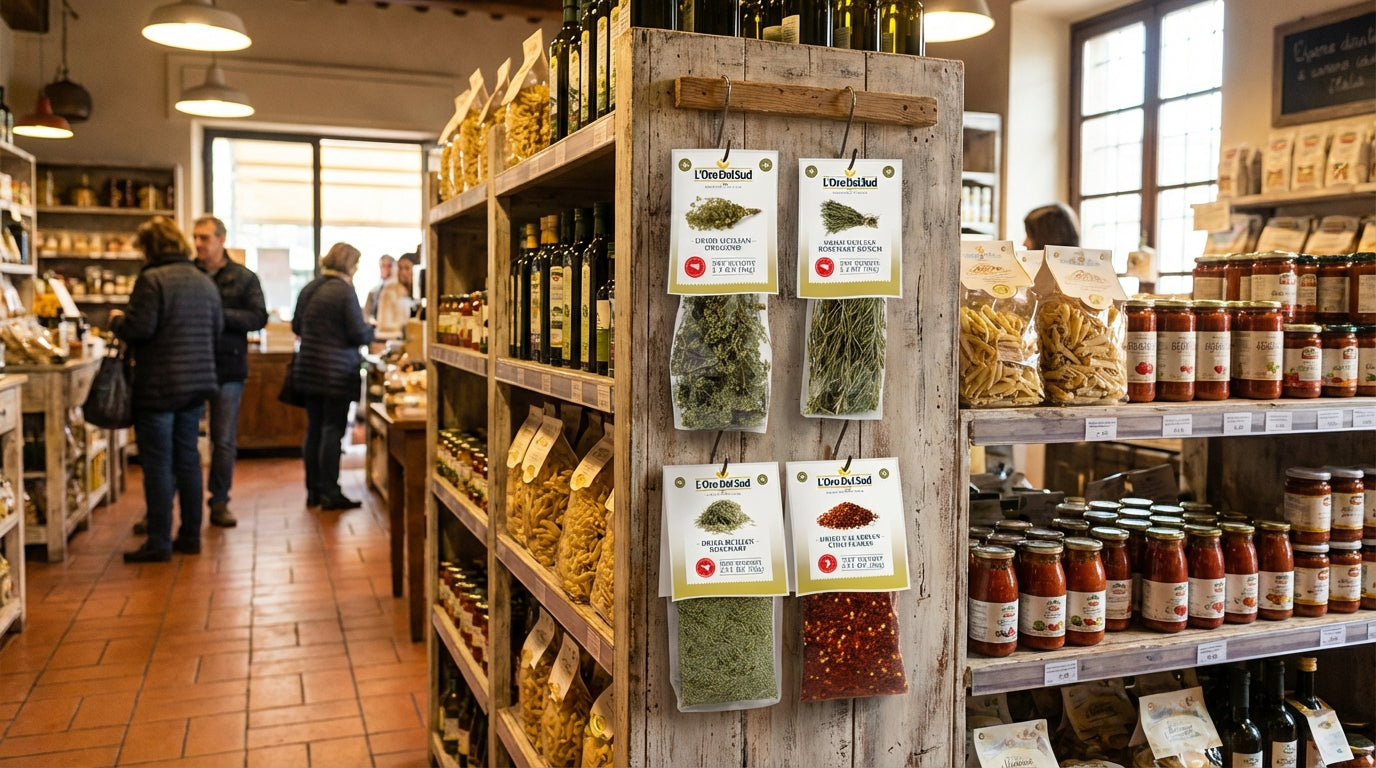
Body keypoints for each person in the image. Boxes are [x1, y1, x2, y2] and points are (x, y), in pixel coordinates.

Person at [111, 217, 223, 563]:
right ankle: (190, 535)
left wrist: (116, 320)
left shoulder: (152, 280)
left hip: (159, 386)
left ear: (151, 248)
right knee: (188, 459)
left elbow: (140, 329)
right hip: (196, 384)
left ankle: (159, 541)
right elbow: (217, 328)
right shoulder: (204, 281)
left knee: (158, 464)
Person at [193, 214, 268, 528]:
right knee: (181, 438)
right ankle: (172, 505)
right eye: (195, 238)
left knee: (222, 440)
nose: (198, 244)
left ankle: (219, 502)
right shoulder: (187, 274)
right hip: (191, 366)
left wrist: (219, 316)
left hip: (229, 367)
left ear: (221, 240)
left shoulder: (244, 277)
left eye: (205, 238)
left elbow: (258, 317)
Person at [291, 242, 374, 510]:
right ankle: (330, 492)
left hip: (308, 368)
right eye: (356, 264)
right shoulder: (344, 291)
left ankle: (313, 491)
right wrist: (371, 328)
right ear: (349, 263)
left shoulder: (310, 287)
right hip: (336, 371)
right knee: (332, 430)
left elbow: (296, 326)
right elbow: (358, 333)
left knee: (314, 429)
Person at [374, 252, 418, 341]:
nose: (403, 272)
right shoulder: (389, 292)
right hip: (395, 342)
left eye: (407, 268)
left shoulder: (418, 294)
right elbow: (384, 325)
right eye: (400, 268)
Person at [364, 254, 395, 325]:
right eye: (383, 266)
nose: (385, 269)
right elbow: (366, 315)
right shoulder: (373, 292)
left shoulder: (399, 292)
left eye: (389, 266)